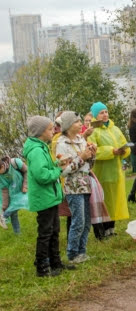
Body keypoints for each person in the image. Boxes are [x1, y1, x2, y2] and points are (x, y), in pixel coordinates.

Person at [23, 115, 74, 277]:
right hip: (43, 197)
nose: (53, 131)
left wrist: (58, 163)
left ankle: (55, 262)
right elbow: (42, 175)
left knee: (54, 230)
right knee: (45, 232)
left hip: (50, 197)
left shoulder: (41, 146)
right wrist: (59, 171)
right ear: (40, 132)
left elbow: (46, 167)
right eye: (50, 129)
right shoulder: (37, 150)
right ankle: (42, 267)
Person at [55, 111, 96, 264]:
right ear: (68, 126)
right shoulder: (61, 144)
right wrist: (81, 158)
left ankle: (82, 251)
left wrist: (92, 156)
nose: (81, 125)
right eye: (77, 122)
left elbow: (88, 166)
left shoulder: (81, 140)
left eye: (80, 121)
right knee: (78, 221)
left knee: (86, 221)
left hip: (85, 184)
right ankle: (72, 254)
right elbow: (64, 171)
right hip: (73, 187)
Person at [87, 102, 130, 236]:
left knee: (115, 201)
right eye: (101, 112)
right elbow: (93, 150)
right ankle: (103, 230)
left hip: (116, 171)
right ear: (95, 115)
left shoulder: (115, 128)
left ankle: (112, 228)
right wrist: (111, 151)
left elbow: (124, 143)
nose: (105, 115)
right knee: (103, 202)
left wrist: (124, 151)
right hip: (103, 172)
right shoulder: (93, 131)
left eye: (106, 112)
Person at [0, 156, 29, 234]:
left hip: (23, 188)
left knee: (19, 204)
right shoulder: (1, 175)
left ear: (3, 166)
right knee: (14, 213)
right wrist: (5, 206)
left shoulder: (15, 162)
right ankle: (17, 233)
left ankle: (3, 217)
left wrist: (25, 186)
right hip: (13, 192)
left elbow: (27, 171)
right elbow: (4, 189)